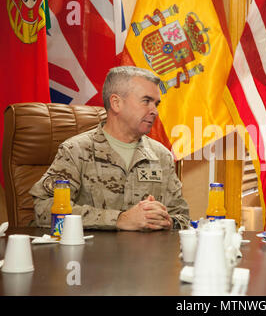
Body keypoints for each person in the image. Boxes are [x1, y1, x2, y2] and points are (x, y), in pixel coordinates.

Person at [30, 66, 190, 231]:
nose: (155, 111)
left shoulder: (161, 155)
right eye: (146, 101)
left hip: (146, 255)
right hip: (92, 254)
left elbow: (183, 217)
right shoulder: (76, 150)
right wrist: (118, 219)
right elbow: (44, 209)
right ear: (116, 103)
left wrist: (165, 220)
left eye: (156, 104)